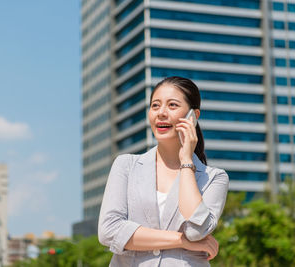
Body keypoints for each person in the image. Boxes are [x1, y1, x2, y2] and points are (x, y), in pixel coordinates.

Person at [98, 76, 229, 266]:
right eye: (155, 105)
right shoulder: (126, 166)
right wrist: (181, 241)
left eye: (172, 105)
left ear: (194, 116)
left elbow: (195, 231)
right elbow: (109, 231)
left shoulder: (214, 178)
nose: (161, 113)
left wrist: (186, 161)